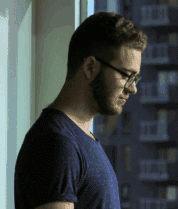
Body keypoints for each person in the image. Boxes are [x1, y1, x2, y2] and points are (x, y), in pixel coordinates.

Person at [14, 12, 147, 209]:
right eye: (127, 75)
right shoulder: (56, 143)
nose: (132, 88)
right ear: (91, 67)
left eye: (135, 79)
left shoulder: (82, 140)